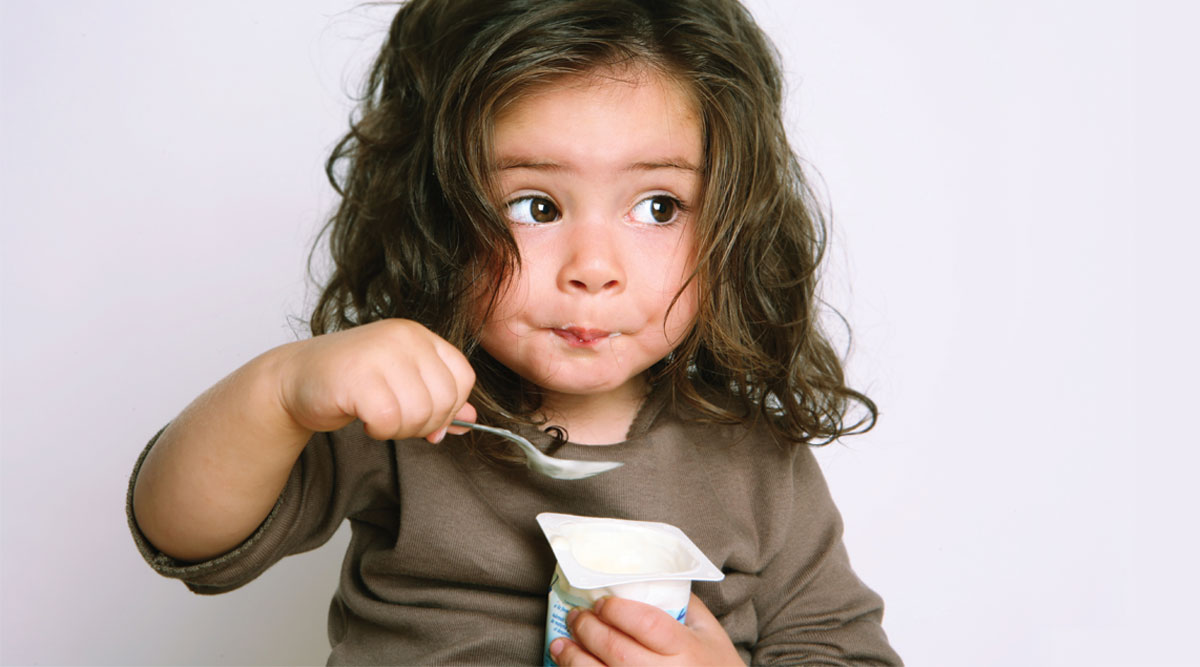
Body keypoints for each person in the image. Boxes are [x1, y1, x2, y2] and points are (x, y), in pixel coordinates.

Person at [126, 0, 902, 664]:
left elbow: (848, 650)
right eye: (534, 205)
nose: (593, 267)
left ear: (734, 220)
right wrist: (281, 392)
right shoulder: (403, 401)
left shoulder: (756, 461)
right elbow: (184, 537)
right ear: (437, 215)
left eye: (659, 206)